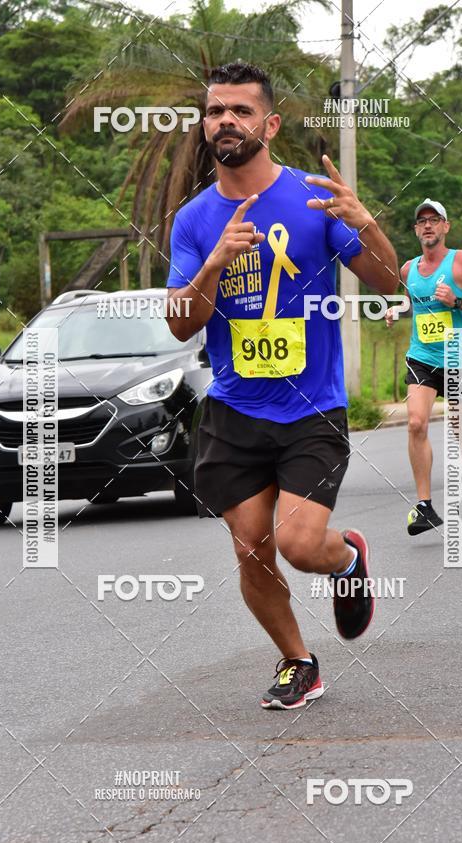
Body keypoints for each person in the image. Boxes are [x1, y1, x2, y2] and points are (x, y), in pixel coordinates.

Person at [166, 63, 398, 709]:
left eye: (240, 111)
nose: (226, 121)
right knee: (251, 548)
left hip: (310, 408)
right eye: (215, 111)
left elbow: (389, 283)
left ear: (268, 125)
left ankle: (346, 559)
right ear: (204, 126)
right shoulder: (194, 220)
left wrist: (366, 222)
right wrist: (214, 264)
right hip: (234, 412)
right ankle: (299, 660)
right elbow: (181, 322)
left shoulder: (312, 198)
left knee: (298, 543)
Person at [386, 199, 462, 535]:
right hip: (422, 356)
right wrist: (396, 310)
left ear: (446, 226)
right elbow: (414, 303)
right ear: (415, 230)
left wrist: (457, 301)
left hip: (458, 353)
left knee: (461, 433)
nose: (428, 225)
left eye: (434, 219)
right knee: (415, 423)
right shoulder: (407, 269)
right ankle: (425, 507)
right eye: (422, 221)